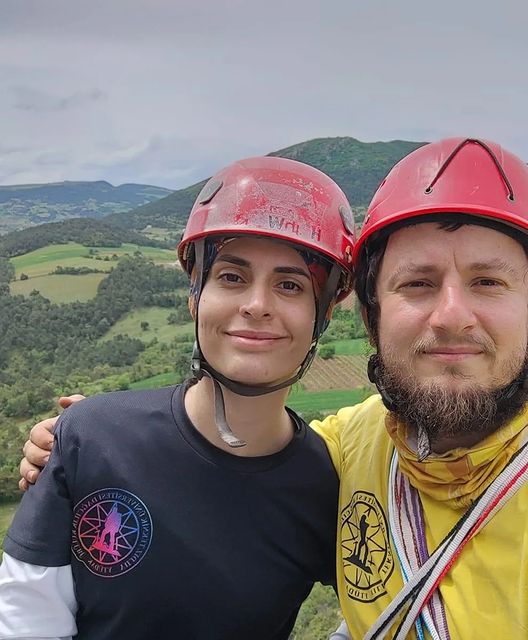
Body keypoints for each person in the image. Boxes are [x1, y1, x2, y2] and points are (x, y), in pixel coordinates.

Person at [18, 137, 528, 639]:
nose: (451, 315)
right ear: (369, 314)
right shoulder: (345, 451)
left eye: (488, 282)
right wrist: (78, 443)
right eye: (417, 284)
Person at [0, 156, 355, 639]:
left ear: (324, 314)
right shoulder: (91, 438)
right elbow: (26, 619)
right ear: (194, 295)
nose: (256, 304)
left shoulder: (326, 488)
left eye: (290, 285)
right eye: (231, 277)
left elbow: (384, 609)